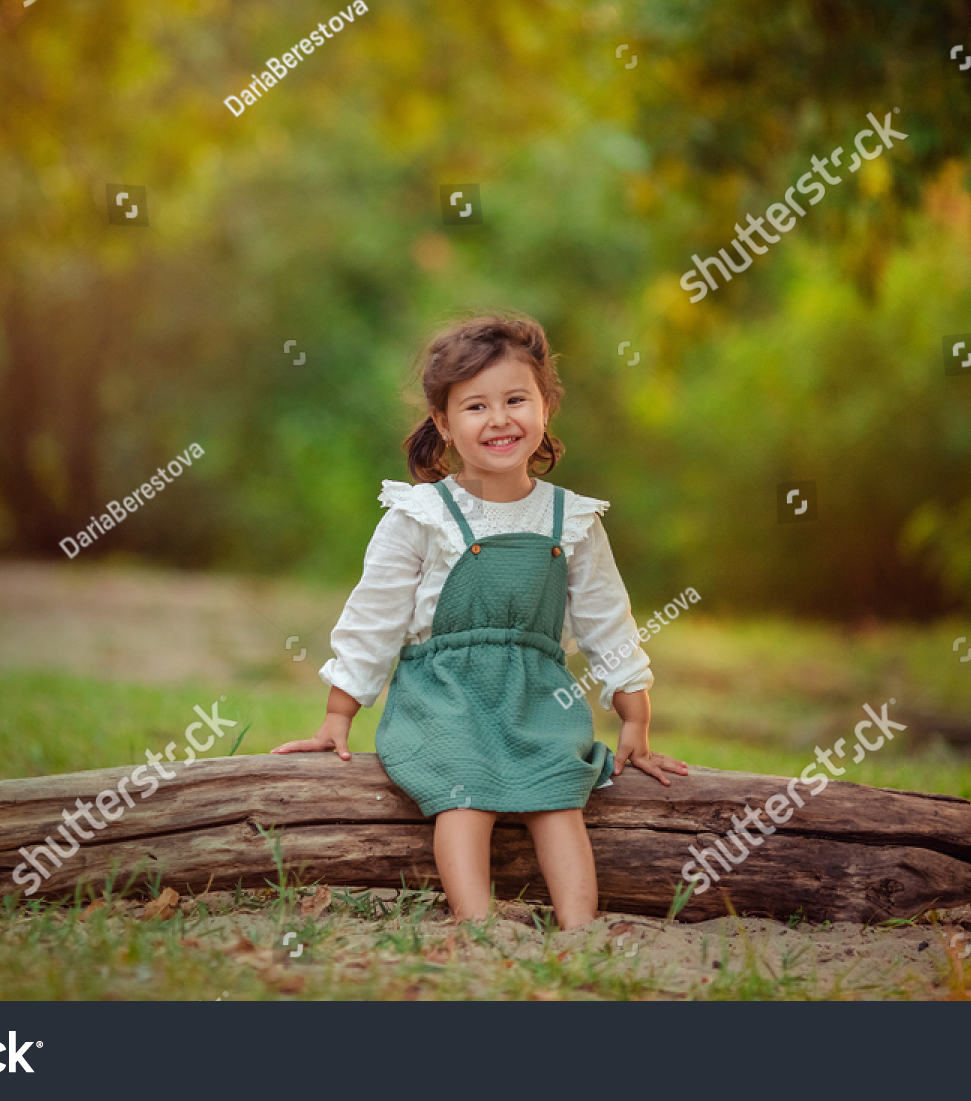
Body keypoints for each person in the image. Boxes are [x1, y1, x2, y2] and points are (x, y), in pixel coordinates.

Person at [271, 313, 686, 929]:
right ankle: (480, 927)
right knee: (463, 794)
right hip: (445, 698)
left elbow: (608, 619)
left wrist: (635, 716)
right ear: (443, 423)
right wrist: (339, 716)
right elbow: (373, 617)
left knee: (558, 798)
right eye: (475, 406)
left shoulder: (570, 519)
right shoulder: (421, 514)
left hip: (536, 697)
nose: (499, 420)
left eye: (516, 399)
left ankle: (580, 930)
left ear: (545, 406)